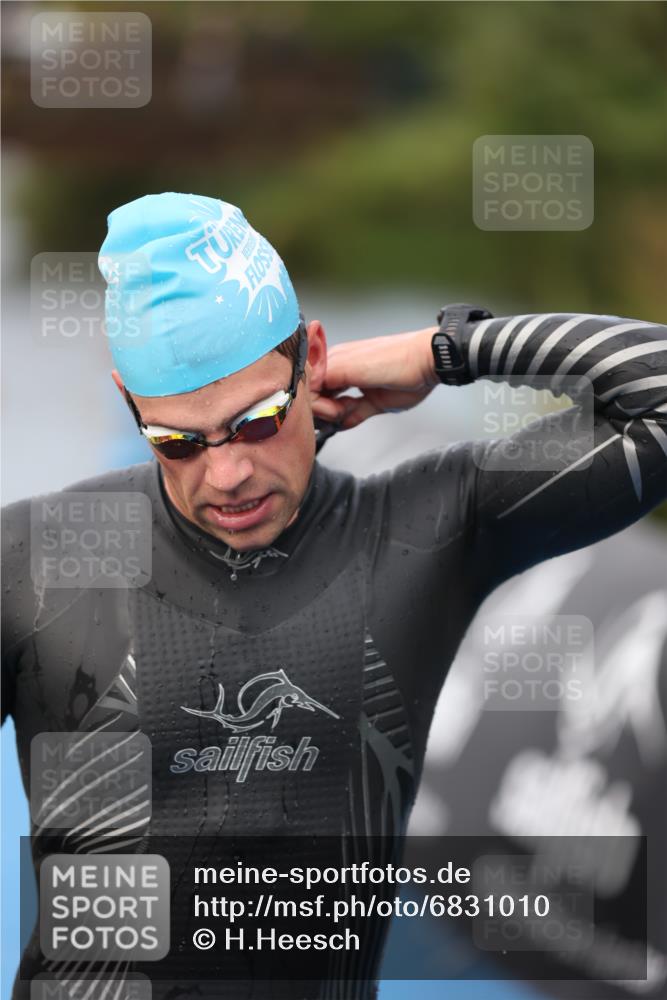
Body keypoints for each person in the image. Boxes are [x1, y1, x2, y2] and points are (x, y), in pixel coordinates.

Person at [2, 192, 666, 1000]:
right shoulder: (36, 561)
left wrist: (446, 350)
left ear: (311, 358)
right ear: (129, 405)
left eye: (257, 420)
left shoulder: (424, 530)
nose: (227, 473)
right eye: (177, 442)